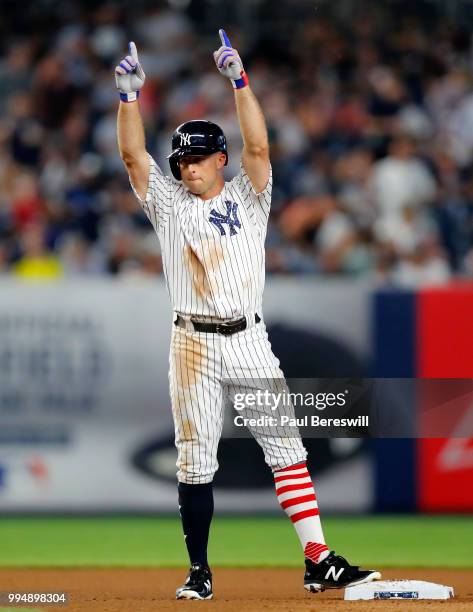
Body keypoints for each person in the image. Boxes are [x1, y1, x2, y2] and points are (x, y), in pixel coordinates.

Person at [115, 30, 380, 600]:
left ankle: (318, 559)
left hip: (249, 340)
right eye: (179, 159)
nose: (185, 167)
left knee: (287, 450)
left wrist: (240, 82)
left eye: (194, 158)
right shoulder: (167, 205)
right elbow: (134, 157)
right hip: (192, 343)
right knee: (196, 458)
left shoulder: (247, 198)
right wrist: (129, 99)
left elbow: (260, 150)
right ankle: (199, 571)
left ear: (218, 159)